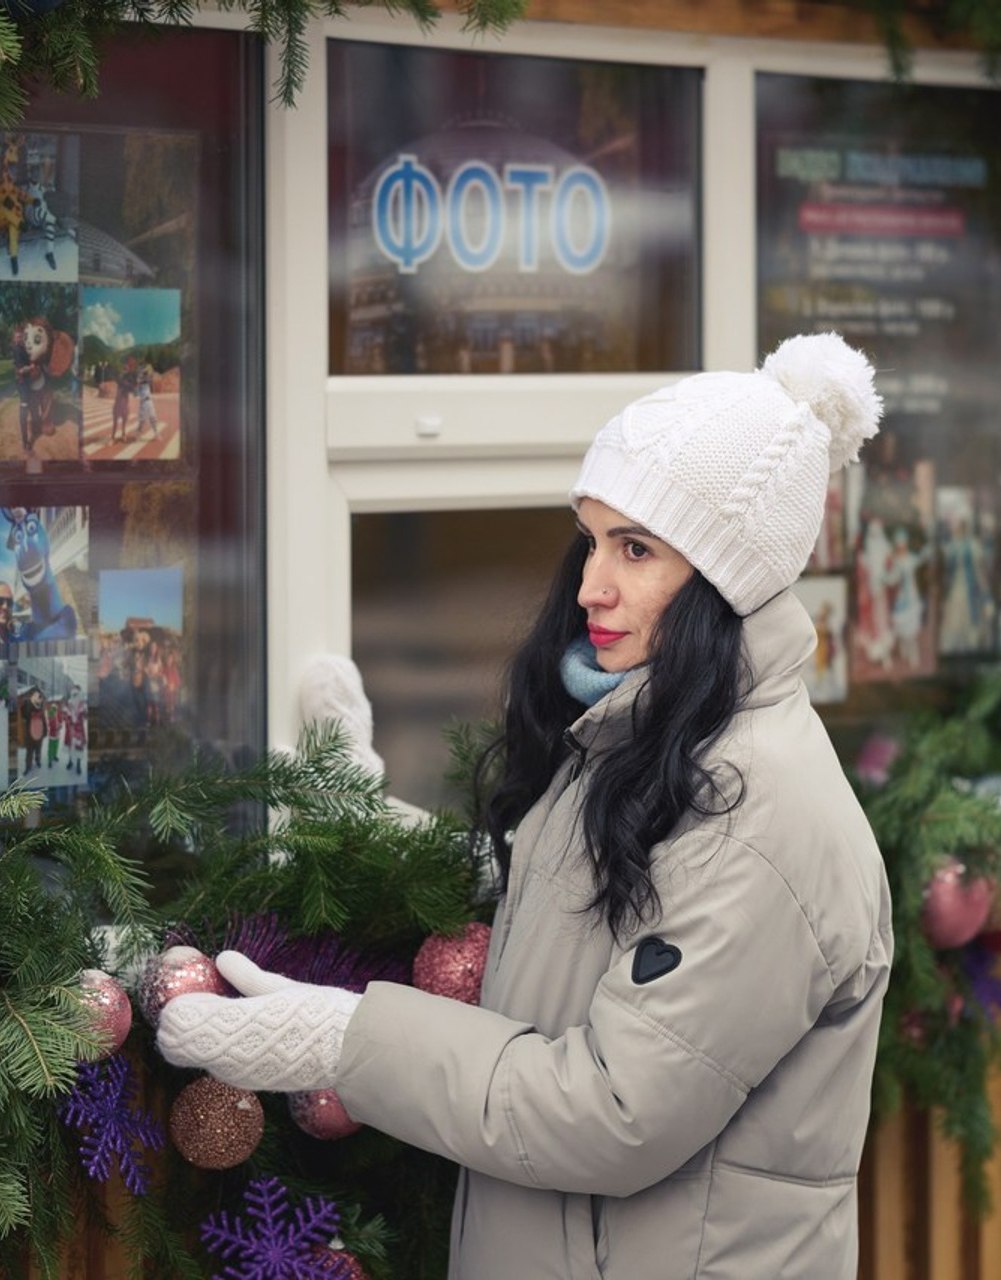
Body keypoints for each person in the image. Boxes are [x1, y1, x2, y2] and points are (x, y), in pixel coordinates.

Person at [155, 332, 895, 1280]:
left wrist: (347, 1043)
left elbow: (614, 1112)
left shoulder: (758, 818)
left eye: (636, 549)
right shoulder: (645, 741)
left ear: (728, 578)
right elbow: (577, 944)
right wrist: (380, 831)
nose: (590, 586)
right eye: (591, 539)